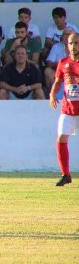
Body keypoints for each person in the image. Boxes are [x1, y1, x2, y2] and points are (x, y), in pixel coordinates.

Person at [49, 32, 79, 187]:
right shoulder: (63, 62)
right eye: (71, 43)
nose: (74, 46)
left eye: (76, 43)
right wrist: (53, 94)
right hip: (67, 110)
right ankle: (65, 174)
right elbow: (58, 81)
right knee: (61, 138)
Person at [44, 28, 73, 94]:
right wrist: (62, 64)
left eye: (68, 34)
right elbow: (49, 63)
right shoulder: (56, 47)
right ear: (62, 37)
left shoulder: (77, 47)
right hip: (59, 72)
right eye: (64, 35)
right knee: (48, 71)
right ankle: (53, 94)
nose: (66, 36)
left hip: (74, 72)